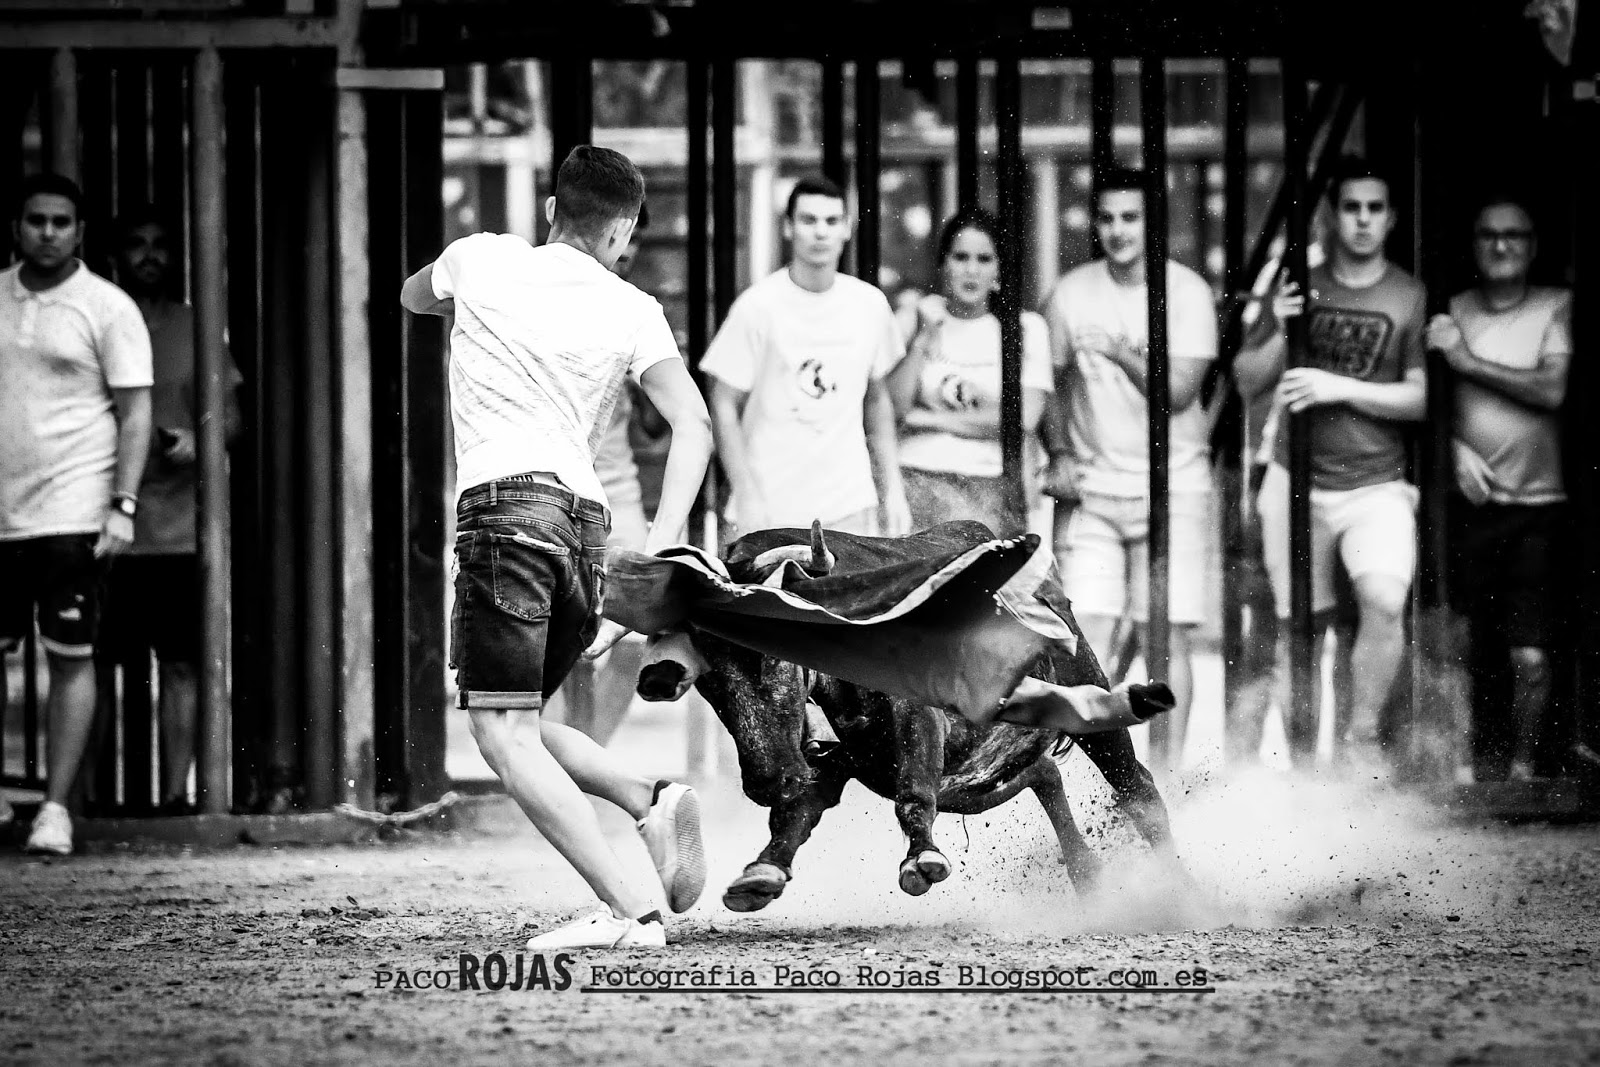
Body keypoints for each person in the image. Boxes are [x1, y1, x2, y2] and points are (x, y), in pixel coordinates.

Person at [400, 146, 715, 949]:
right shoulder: (633, 307)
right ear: (622, 232)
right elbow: (693, 424)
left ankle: (630, 912)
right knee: (522, 721)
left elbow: (412, 295)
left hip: (506, 514)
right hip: (585, 529)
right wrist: (661, 549)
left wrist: (464, 301)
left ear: (550, 209)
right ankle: (647, 797)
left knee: (501, 733)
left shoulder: (480, 258)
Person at [1235, 156, 1428, 774]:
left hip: (1376, 484)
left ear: (1391, 218)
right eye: (1352, 207)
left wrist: (1337, 386)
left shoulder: (1409, 293)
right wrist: (1281, 325)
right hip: (1295, 481)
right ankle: (1303, 770)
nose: (1363, 220)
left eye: (1375, 208)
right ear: (1332, 215)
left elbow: (1421, 398)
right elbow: (1247, 380)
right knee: (1300, 628)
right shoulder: (1299, 283)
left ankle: (1361, 737)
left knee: (1385, 600)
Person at [1040, 168, 1219, 776]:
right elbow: (1049, 386)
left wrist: (1121, 353)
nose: (1118, 230)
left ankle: (1166, 774)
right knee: (1084, 637)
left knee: (1164, 640)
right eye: (1107, 217)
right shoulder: (1070, 294)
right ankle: (1096, 778)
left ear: (1153, 222)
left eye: (1131, 217)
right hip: (1095, 490)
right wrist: (1060, 451)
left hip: (1174, 486)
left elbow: (1181, 393)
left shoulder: (1186, 292)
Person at [0, 174, 153, 853]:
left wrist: (122, 505)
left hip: (72, 510)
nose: (48, 232)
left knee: (71, 656)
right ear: (16, 227)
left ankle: (55, 809)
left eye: (61, 222)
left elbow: (136, 411)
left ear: (80, 232)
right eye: (36, 220)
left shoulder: (107, 305)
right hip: (1, 512)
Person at [89, 209, 243, 815]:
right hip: (98, 520)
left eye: (160, 245)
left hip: (179, 528)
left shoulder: (194, 326)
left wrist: (199, 440)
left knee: (181, 666)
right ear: (114, 256)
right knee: (92, 665)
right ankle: (84, 800)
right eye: (136, 244)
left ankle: (177, 797)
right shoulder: (96, 316)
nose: (149, 255)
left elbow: (232, 420)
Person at [1428, 196, 1572, 781]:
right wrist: (1450, 449)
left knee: (1529, 654)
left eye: (1514, 235)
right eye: (1489, 235)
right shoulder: (1453, 309)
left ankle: (1521, 774)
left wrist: (1465, 359)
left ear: (1533, 247)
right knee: (1460, 646)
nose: (1501, 245)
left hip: (1538, 507)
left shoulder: (1557, 305)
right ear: (1473, 246)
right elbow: (1428, 402)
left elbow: (1551, 389)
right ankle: (1462, 774)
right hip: (1469, 507)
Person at [701, 175, 911, 541]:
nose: (821, 232)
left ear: (847, 228)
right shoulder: (758, 306)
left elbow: (877, 401)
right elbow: (722, 403)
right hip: (768, 509)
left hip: (849, 505)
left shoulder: (870, 304)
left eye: (831, 221)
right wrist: (745, 492)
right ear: (788, 227)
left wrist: (893, 489)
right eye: (808, 220)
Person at [889, 206, 1054, 536]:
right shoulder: (917, 316)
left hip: (989, 482)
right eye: (961, 257)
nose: (971, 270)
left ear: (999, 267)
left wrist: (927, 419)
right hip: (916, 476)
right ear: (943, 263)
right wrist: (921, 343)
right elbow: (893, 407)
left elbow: (1023, 418)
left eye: (984, 259)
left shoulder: (1025, 327)